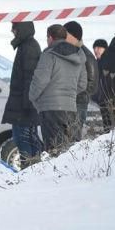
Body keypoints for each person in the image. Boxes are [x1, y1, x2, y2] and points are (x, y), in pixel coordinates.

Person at [29, 24, 86, 154]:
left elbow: (40, 81)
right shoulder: (79, 56)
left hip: (50, 110)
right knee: (70, 152)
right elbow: (82, 84)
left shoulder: (48, 55)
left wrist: (32, 96)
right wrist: (68, 94)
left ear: (50, 38)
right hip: (71, 108)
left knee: (54, 152)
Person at [1, 21, 43, 168]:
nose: (12, 31)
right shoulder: (27, 46)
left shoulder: (28, 47)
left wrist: (28, 104)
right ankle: (34, 170)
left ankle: (30, 171)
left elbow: (30, 78)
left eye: (15, 28)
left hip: (24, 107)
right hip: (24, 105)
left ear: (21, 29)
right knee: (27, 139)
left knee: (23, 140)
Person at [63, 21, 97, 139]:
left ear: (73, 35)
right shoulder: (68, 52)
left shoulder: (86, 56)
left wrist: (75, 93)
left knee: (72, 140)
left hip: (78, 104)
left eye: (65, 33)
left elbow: (92, 85)